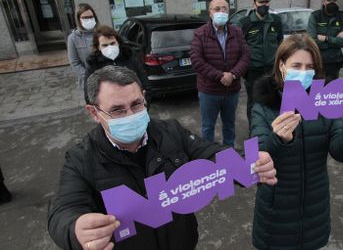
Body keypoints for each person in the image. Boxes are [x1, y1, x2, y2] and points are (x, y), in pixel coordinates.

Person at [47, 66, 277, 250]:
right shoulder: (80, 158)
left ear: (144, 98)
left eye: (137, 104)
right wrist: (74, 229)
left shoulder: (170, 131)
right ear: (94, 113)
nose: (131, 115)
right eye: (118, 110)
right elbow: (64, 210)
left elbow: (208, 153)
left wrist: (247, 161)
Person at [250, 34, 343, 249]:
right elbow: (258, 157)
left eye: (310, 67)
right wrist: (279, 139)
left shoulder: (325, 101)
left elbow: (341, 152)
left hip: (315, 206)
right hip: (276, 208)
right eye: (297, 65)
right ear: (282, 65)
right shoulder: (263, 106)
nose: (304, 72)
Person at [190, 0, 250, 147]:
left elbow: (245, 56)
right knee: (207, 126)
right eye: (217, 9)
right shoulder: (200, 33)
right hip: (209, 91)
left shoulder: (237, 32)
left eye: (224, 9)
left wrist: (233, 74)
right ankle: (208, 155)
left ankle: (229, 154)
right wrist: (221, 76)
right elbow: (197, 61)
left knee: (229, 126)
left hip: (232, 91)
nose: (221, 12)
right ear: (210, 12)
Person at [237, 0, 283, 125]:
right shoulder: (245, 23)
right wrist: (244, 70)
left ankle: (271, 127)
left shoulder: (276, 21)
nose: (264, 5)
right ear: (254, 4)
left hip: (271, 70)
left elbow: (280, 43)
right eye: (260, 1)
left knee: (273, 100)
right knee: (253, 102)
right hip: (253, 71)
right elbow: (239, 48)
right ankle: (254, 130)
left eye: (266, 1)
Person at [84, 25, 150, 104]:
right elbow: (89, 94)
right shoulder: (93, 64)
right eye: (105, 45)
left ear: (118, 42)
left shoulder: (130, 57)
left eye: (112, 43)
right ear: (98, 47)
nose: (110, 47)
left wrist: (144, 105)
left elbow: (145, 84)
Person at [307, 0, 343, 83]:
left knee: (332, 92)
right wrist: (337, 40)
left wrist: (326, 39)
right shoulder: (315, 16)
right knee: (316, 91)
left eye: (334, 0)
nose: (332, 2)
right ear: (324, 1)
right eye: (329, 0)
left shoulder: (342, 17)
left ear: (337, 1)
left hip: (334, 62)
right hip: (318, 61)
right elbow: (311, 41)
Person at [67, 4, 98, 90]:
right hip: (89, 82)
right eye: (85, 17)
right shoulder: (73, 38)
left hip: (107, 79)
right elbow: (75, 63)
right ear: (78, 20)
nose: (89, 19)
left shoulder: (101, 33)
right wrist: (90, 77)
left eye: (91, 17)